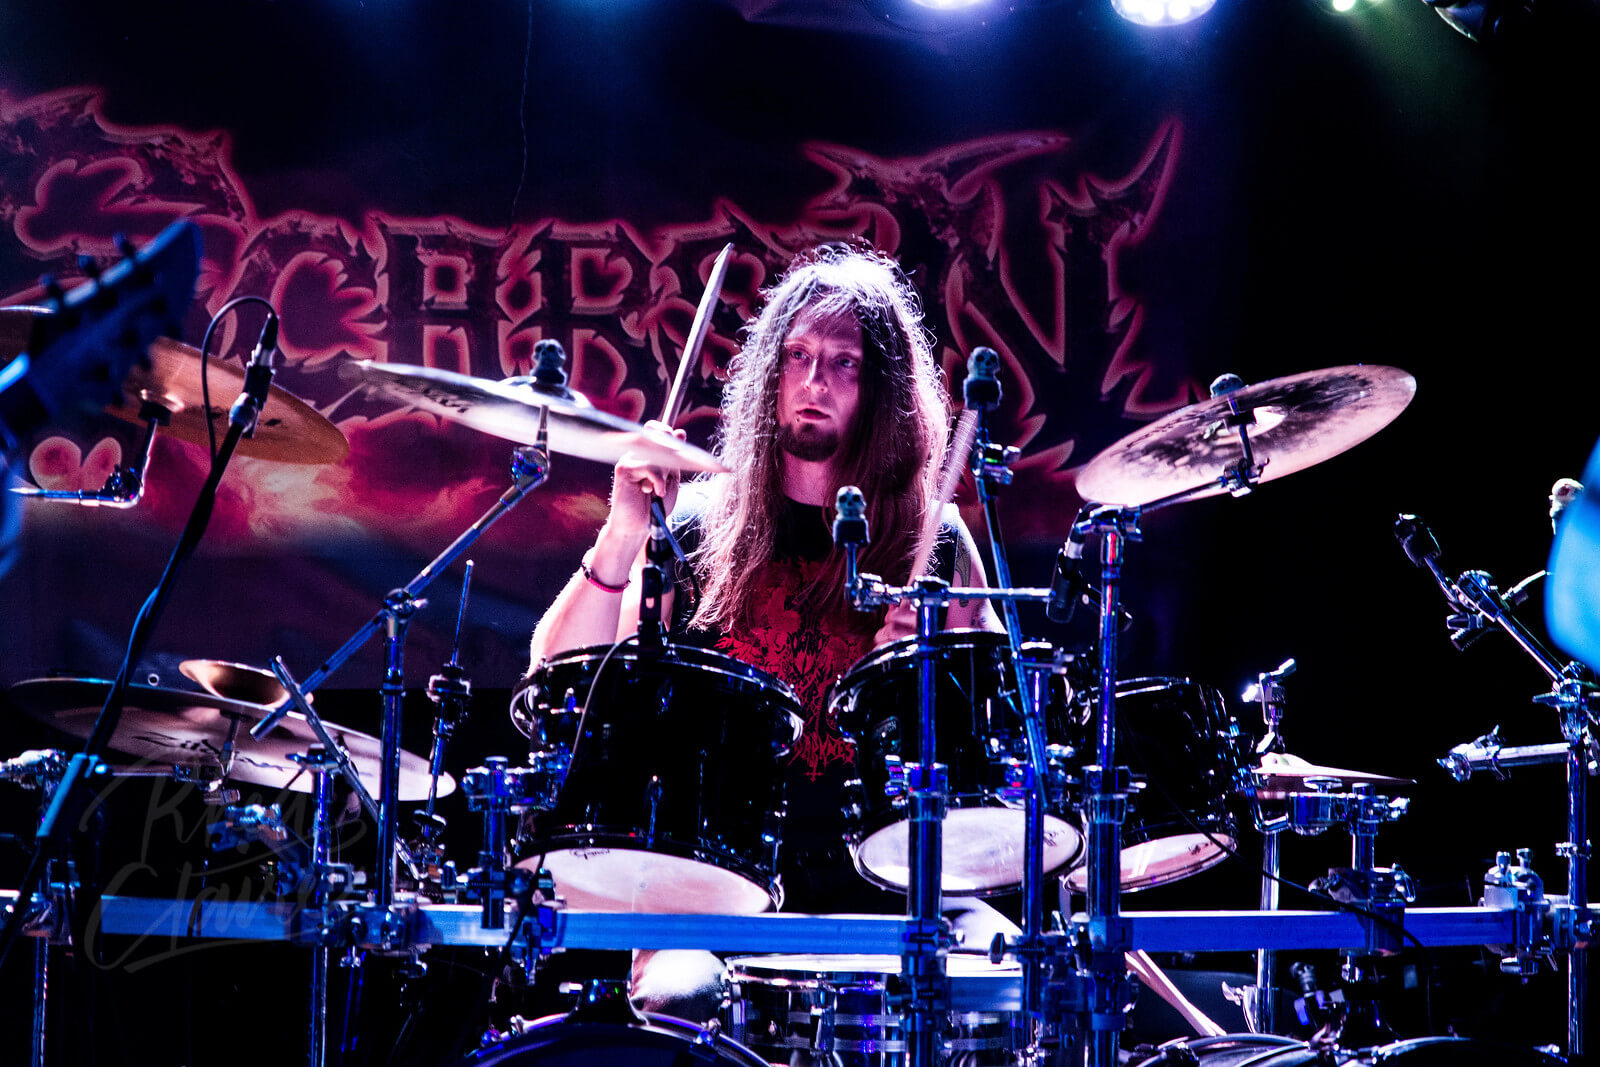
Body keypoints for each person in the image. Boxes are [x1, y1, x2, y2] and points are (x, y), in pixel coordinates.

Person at [526, 244, 1018, 1016]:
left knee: (1006, 980)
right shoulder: (694, 528)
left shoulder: (938, 538)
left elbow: (1003, 727)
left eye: (844, 363)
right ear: (771, 375)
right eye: (798, 356)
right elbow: (563, 671)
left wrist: (943, 667)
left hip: (891, 882)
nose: (815, 381)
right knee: (680, 998)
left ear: (881, 392)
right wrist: (620, 535)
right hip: (716, 889)